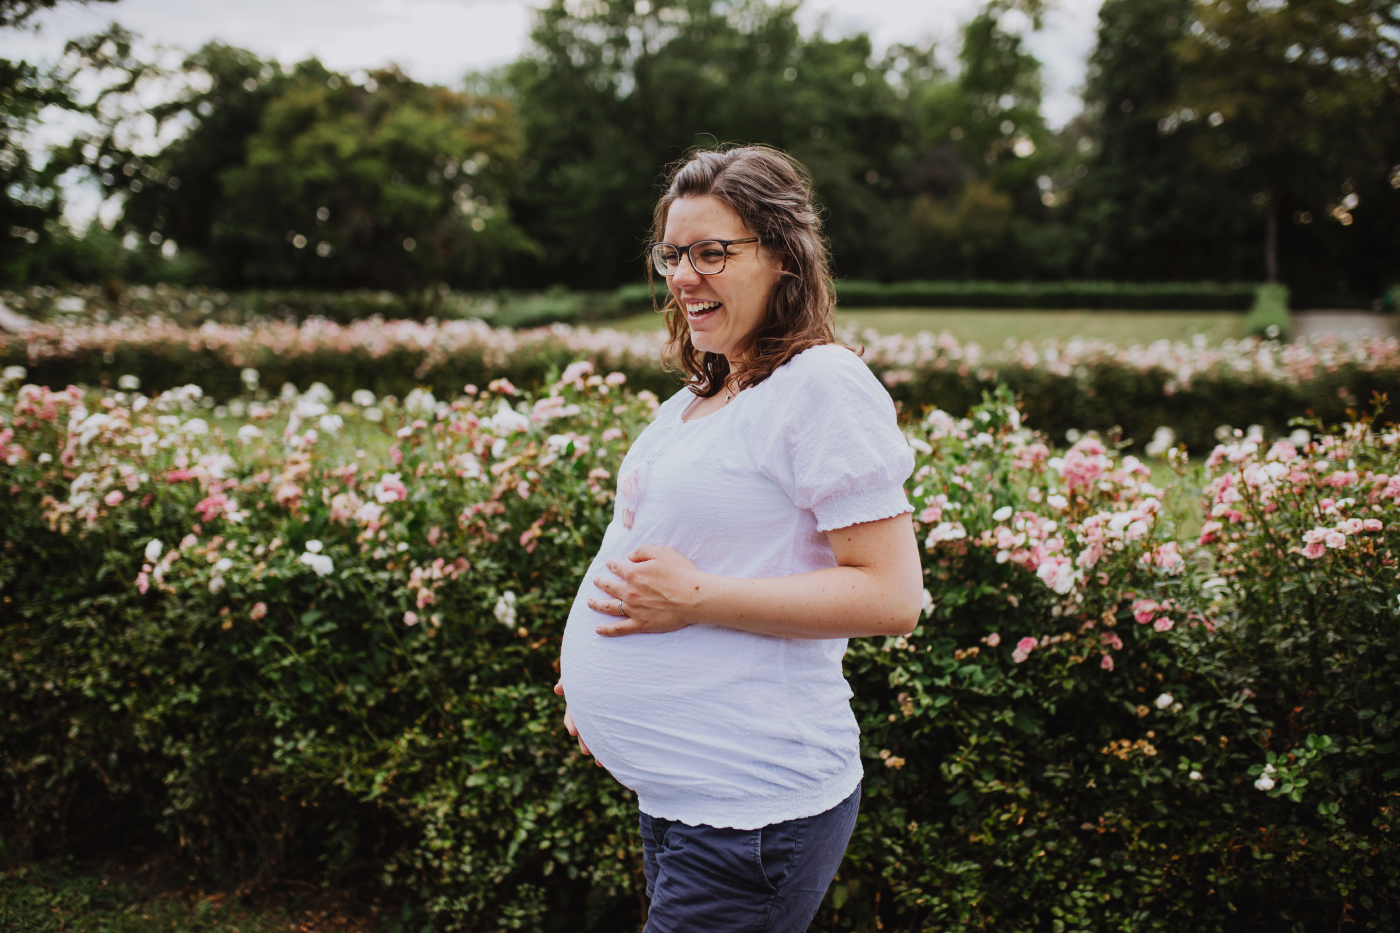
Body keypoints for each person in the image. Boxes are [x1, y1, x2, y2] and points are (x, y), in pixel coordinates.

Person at [553, 145, 923, 933]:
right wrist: (592, 676)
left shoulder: (821, 384)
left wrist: (696, 599)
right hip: (684, 795)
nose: (684, 275)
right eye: (672, 253)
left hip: (754, 809)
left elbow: (891, 595)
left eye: (712, 251)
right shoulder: (702, 396)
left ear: (784, 255)